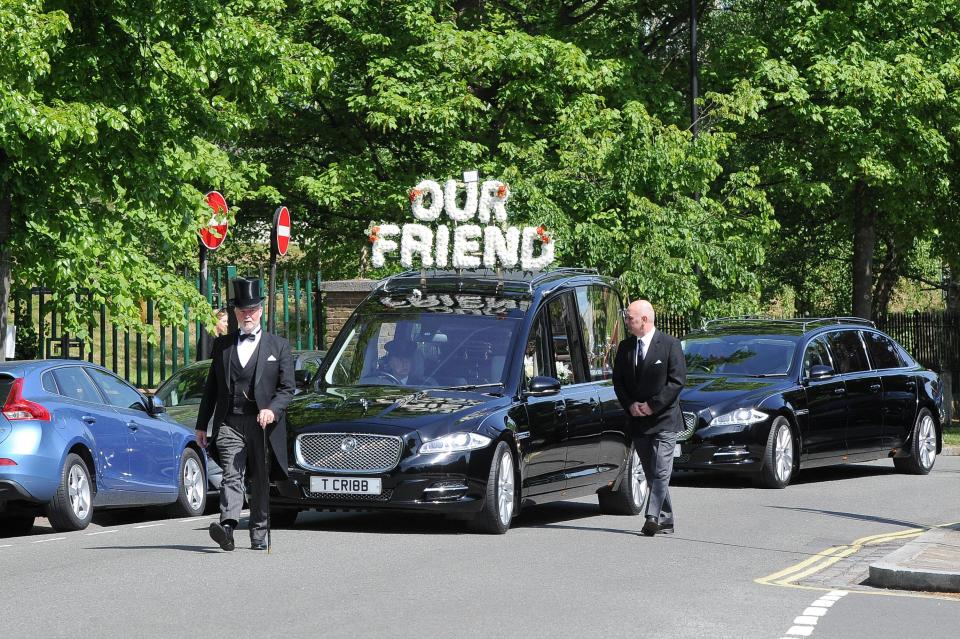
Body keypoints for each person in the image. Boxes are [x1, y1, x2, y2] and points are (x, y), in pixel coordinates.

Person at [195, 278, 295, 551]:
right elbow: (211, 388)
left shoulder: (279, 346)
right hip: (230, 421)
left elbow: (288, 389)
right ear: (235, 314)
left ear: (260, 310)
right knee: (231, 473)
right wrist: (202, 424)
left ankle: (259, 531)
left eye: (251, 310)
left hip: (261, 424)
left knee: (260, 479)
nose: (246, 315)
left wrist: (271, 410)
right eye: (241, 311)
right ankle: (227, 525)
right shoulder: (223, 346)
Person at [612, 299, 687, 536]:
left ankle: (652, 516)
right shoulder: (625, 347)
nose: (626, 322)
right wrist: (631, 405)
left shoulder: (669, 344)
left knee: (661, 469)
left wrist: (652, 406)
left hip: (664, 418)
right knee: (651, 470)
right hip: (638, 420)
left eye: (630, 318)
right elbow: (618, 382)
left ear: (644, 319)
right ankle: (666, 519)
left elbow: (676, 381)